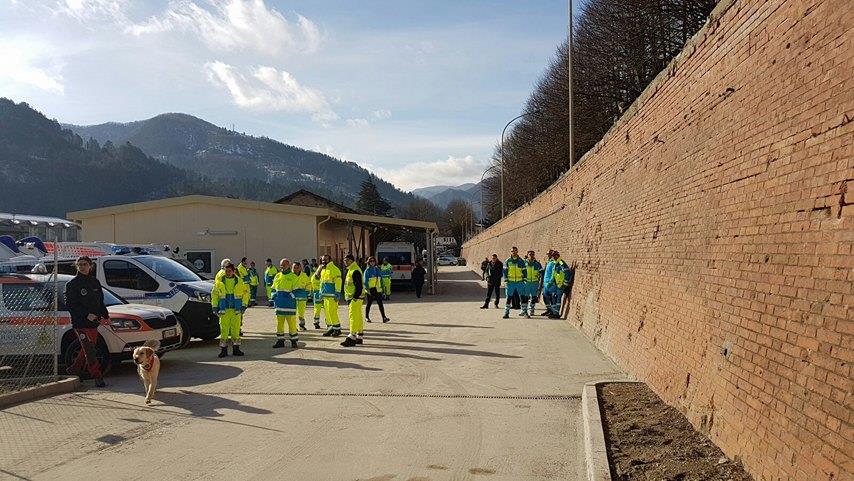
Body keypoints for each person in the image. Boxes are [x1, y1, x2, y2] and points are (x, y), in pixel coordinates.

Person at [64, 256, 107, 387]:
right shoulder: (72, 284)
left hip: (93, 323)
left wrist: (106, 316)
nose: (82, 266)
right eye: (80, 264)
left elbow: (100, 302)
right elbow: (70, 304)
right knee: (89, 349)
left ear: (90, 266)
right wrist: (86, 315)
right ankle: (97, 375)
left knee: (89, 347)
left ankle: (73, 369)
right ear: (77, 266)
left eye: (85, 264)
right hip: (80, 323)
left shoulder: (95, 282)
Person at [211, 261, 249, 357]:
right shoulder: (219, 282)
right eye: (226, 271)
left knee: (236, 329)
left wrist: (244, 305)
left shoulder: (239, 281)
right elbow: (214, 295)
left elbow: (246, 293)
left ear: (233, 271)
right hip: (224, 310)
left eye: (229, 271)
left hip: (236, 310)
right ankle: (223, 350)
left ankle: (236, 349)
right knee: (224, 330)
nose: (228, 273)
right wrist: (214, 306)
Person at [271, 258, 299, 349]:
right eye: (281, 265)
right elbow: (273, 288)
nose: (282, 267)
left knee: (292, 324)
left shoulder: (293, 277)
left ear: (288, 265)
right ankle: (280, 341)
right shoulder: (277, 276)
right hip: (279, 305)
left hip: (289, 305)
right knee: (279, 324)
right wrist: (273, 295)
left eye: (284, 265)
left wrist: (290, 295)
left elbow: (297, 291)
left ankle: (294, 341)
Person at [341, 254, 365, 347]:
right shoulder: (352, 269)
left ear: (352, 260)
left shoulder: (354, 270)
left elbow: (359, 286)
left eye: (347, 260)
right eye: (344, 260)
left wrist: (354, 297)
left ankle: (352, 337)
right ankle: (360, 336)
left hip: (354, 298)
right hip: (356, 298)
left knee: (353, 317)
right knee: (358, 316)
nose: (345, 262)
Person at [320, 255, 343, 337]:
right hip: (325, 296)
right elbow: (321, 283)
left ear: (330, 260)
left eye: (325, 260)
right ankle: (330, 328)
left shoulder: (335, 269)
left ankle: (337, 329)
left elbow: (338, 282)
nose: (323, 261)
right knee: (327, 313)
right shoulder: (323, 270)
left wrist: (337, 293)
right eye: (322, 260)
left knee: (332, 312)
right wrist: (320, 293)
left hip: (332, 296)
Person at [503, 246, 528, 319]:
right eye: (512, 251)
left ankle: (525, 312)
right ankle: (506, 312)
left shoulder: (521, 261)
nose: (514, 252)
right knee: (509, 298)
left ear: (517, 251)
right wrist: (506, 280)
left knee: (522, 297)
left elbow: (524, 271)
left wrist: (525, 280)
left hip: (520, 282)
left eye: (515, 251)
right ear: (511, 252)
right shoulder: (507, 261)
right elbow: (504, 271)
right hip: (510, 282)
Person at [364, 256, 390, 323]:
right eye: (371, 261)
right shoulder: (367, 270)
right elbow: (365, 281)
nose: (372, 262)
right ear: (368, 262)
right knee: (369, 304)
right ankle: (367, 317)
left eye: (373, 261)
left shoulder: (377, 269)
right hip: (370, 289)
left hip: (377, 289)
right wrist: (367, 290)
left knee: (380, 303)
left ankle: (384, 317)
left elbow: (380, 279)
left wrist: (382, 287)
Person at [546, 251, 570, 319]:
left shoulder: (561, 263)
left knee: (558, 299)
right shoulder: (555, 263)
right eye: (552, 256)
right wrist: (550, 283)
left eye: (554, 255)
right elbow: (554, 274)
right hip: (556, 285)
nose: (553, 257)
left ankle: (556, 314)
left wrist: (565, 284)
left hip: (561, 285)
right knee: (554, 297)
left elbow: (567, 273)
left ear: (557, 255)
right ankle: (554, 313)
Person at [293, 261, 311, 330]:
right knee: (293, 313)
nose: (295, 269)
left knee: (301, 312)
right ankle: (293, 326)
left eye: (297, 268)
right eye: (294, 268)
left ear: (300, 268)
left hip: (302, 297)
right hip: (293, 297)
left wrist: (307, 292)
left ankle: (302, 325)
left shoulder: (304, 275)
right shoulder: (290, 276)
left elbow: (309, 284)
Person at [524, 251, 543, 318]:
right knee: (525, 297)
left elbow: (541, 273)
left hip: (535, 283)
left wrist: (540, 280)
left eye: (533, 254)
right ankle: (525, 311)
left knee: (534, 297)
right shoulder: (524, 263)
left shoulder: (537, 264)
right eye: (530, 254)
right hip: (526, 283)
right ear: (527, 255)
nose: (531, 255)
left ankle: (532, 309)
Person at [540, 250, 556, 316]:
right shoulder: (548, 262)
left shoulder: (553, 262)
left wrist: (551, 281)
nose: (548, 255)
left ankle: (553, 311)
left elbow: (553, 273)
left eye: (549, 254)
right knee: (545, 296)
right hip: (546, 283)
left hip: (551, 283)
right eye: (547, 254)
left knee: (551, 297)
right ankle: (548, 309)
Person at [311, 261, 325, 329]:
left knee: (317, 309)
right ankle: (329, 323)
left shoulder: (313, 276)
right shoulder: (323, 276)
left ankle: (316, 322)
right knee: (326, 309)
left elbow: (312, 285)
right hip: (323, 293)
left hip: (316, 293)